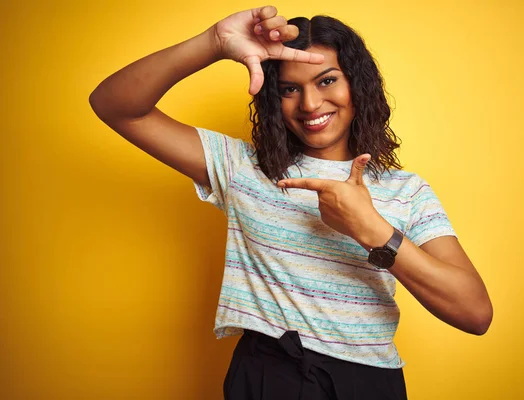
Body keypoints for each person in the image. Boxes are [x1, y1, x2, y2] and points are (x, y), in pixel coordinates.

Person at [89, 5, 493, 399]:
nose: (310, 104)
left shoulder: (407, 190)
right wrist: (213, 43)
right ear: (272, 98)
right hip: (270, 376)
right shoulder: (241, 166)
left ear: (358, 84)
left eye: (327, 81)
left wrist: (371, 230)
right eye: (289, 89)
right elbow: (116, 105)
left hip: (370, 383)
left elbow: (474, 313)